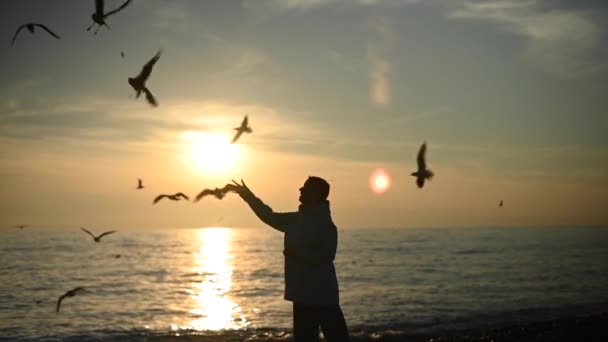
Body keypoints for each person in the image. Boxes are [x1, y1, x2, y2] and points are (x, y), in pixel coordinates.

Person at [226, 176, 350, 342]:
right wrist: (247, 195)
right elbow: (268, 216)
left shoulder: (324, 224)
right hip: (302, 295)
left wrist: (298, 254)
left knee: (337, 337)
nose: (300, 190)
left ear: (315, 194)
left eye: (305, 188)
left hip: (322, 295)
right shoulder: (297, 220)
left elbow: (327, 256)